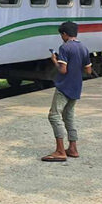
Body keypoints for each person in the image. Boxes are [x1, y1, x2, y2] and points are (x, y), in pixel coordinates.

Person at [42, 21, 92, 162]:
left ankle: (60, 150)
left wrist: (55, 61)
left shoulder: (65, 48)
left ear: (64, 34)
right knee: (68, 116)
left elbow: (63, 70)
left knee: (54, 115)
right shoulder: (83, 48)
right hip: (76, 86)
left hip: (64, 86)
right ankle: (73, 148)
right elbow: (88, 70)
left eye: (61, 35)